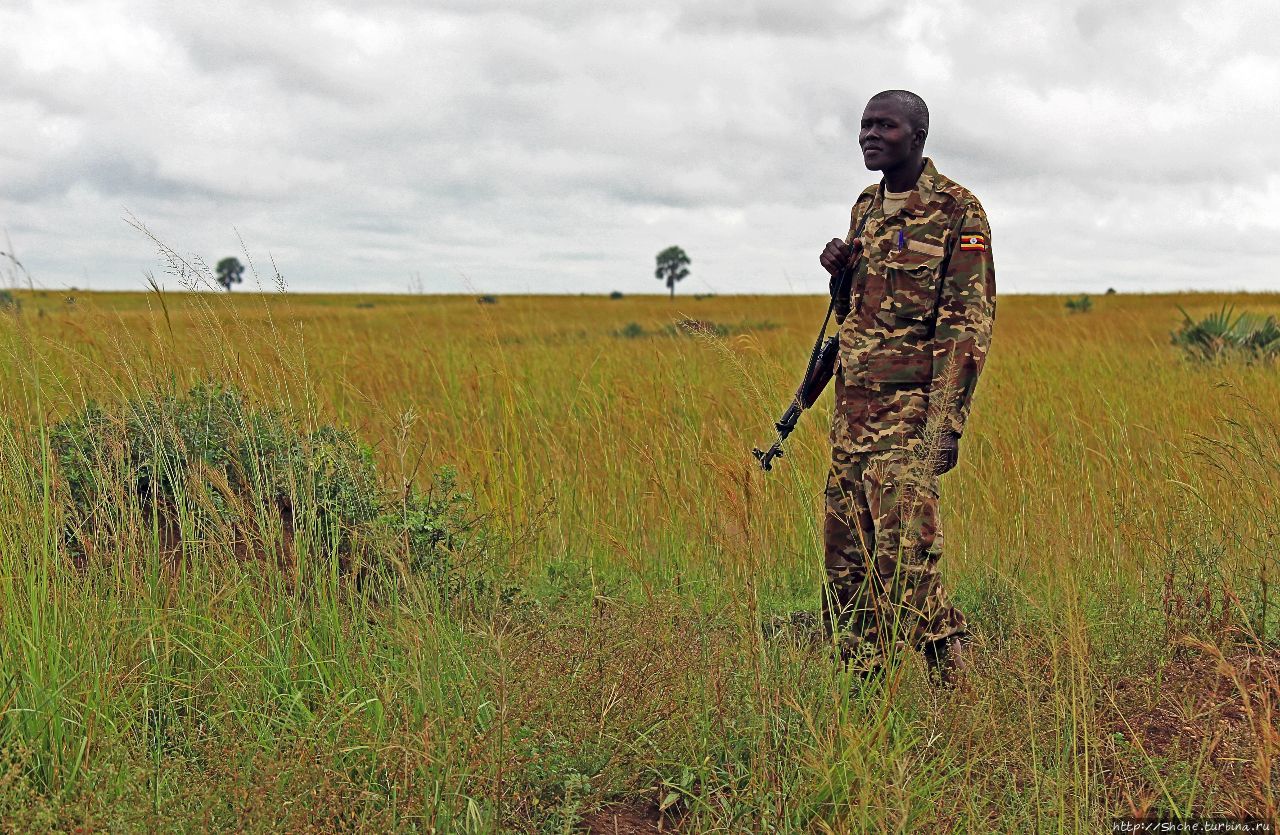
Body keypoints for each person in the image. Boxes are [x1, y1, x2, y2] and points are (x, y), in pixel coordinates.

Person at [817, 90, 996, 685]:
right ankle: (864, 677)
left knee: (905, 552)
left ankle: (951, 661)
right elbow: (856, 315)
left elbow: (966, 324)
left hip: (909, 412)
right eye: (865, 125)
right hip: (853, 408)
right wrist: (839, 270)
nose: (869, 134)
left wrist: (947, 423)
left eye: (884, 125)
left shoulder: (957, 211)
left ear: (917, 135)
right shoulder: (866, 205)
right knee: (847, 554)